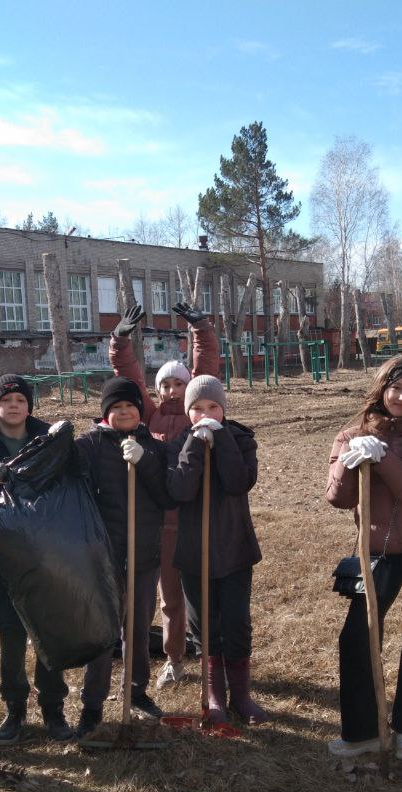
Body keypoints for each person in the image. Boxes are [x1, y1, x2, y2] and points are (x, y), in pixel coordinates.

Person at [325, 355, 402, 761]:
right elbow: (337, 498)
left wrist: (385, 460)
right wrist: (349, 460)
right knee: (357, 638)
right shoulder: (349, 435)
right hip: (374, 553)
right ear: (381, 387)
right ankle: (363, 731)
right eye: (396, 388)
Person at [110, 301, 221, 690]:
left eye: (179, 383)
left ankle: (212, 659)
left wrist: (201, 328)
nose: (173, 390)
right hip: (156, 521)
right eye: (166, 385)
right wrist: (120, 341)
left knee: (198, 598)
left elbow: (206, 370)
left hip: (192, 516)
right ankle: (174, 660)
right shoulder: (150, 416)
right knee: (167, 599)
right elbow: (128, 377)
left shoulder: (198, 413)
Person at [0, 375, 73, 743]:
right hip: (2, 559)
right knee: (11, 640)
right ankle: (15, 711)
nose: (14, 405)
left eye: (21, 400)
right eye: (6, 400)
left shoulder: (46, 440)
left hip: (45, 555)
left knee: (48, 636)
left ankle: (53, 710)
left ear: (30, 407)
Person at [74, 377, 176, 737]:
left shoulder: (156, 447)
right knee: (104, 632)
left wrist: (145, 460)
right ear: (106, 413)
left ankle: (135, 691)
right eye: (116, 408)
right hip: (103, 558)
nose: (124, 412)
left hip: (144, 554)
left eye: (130, 406)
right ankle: (92, 704)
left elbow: (167, 496)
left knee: (137, 627)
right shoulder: (90, 445)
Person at [167, 375, 266, 724]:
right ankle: (214, 696)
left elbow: (239, 482)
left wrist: (221, 439)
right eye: (196, 408)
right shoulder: (179, 442)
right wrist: (195, 446)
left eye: (212, 407)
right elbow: (179, 490)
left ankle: (242, 696)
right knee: (204, 625)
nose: (205, 414)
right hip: (195, 552)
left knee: (236, 623)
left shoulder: (241, 439)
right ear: (187, 412)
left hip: (235, 547)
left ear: (223, 408)